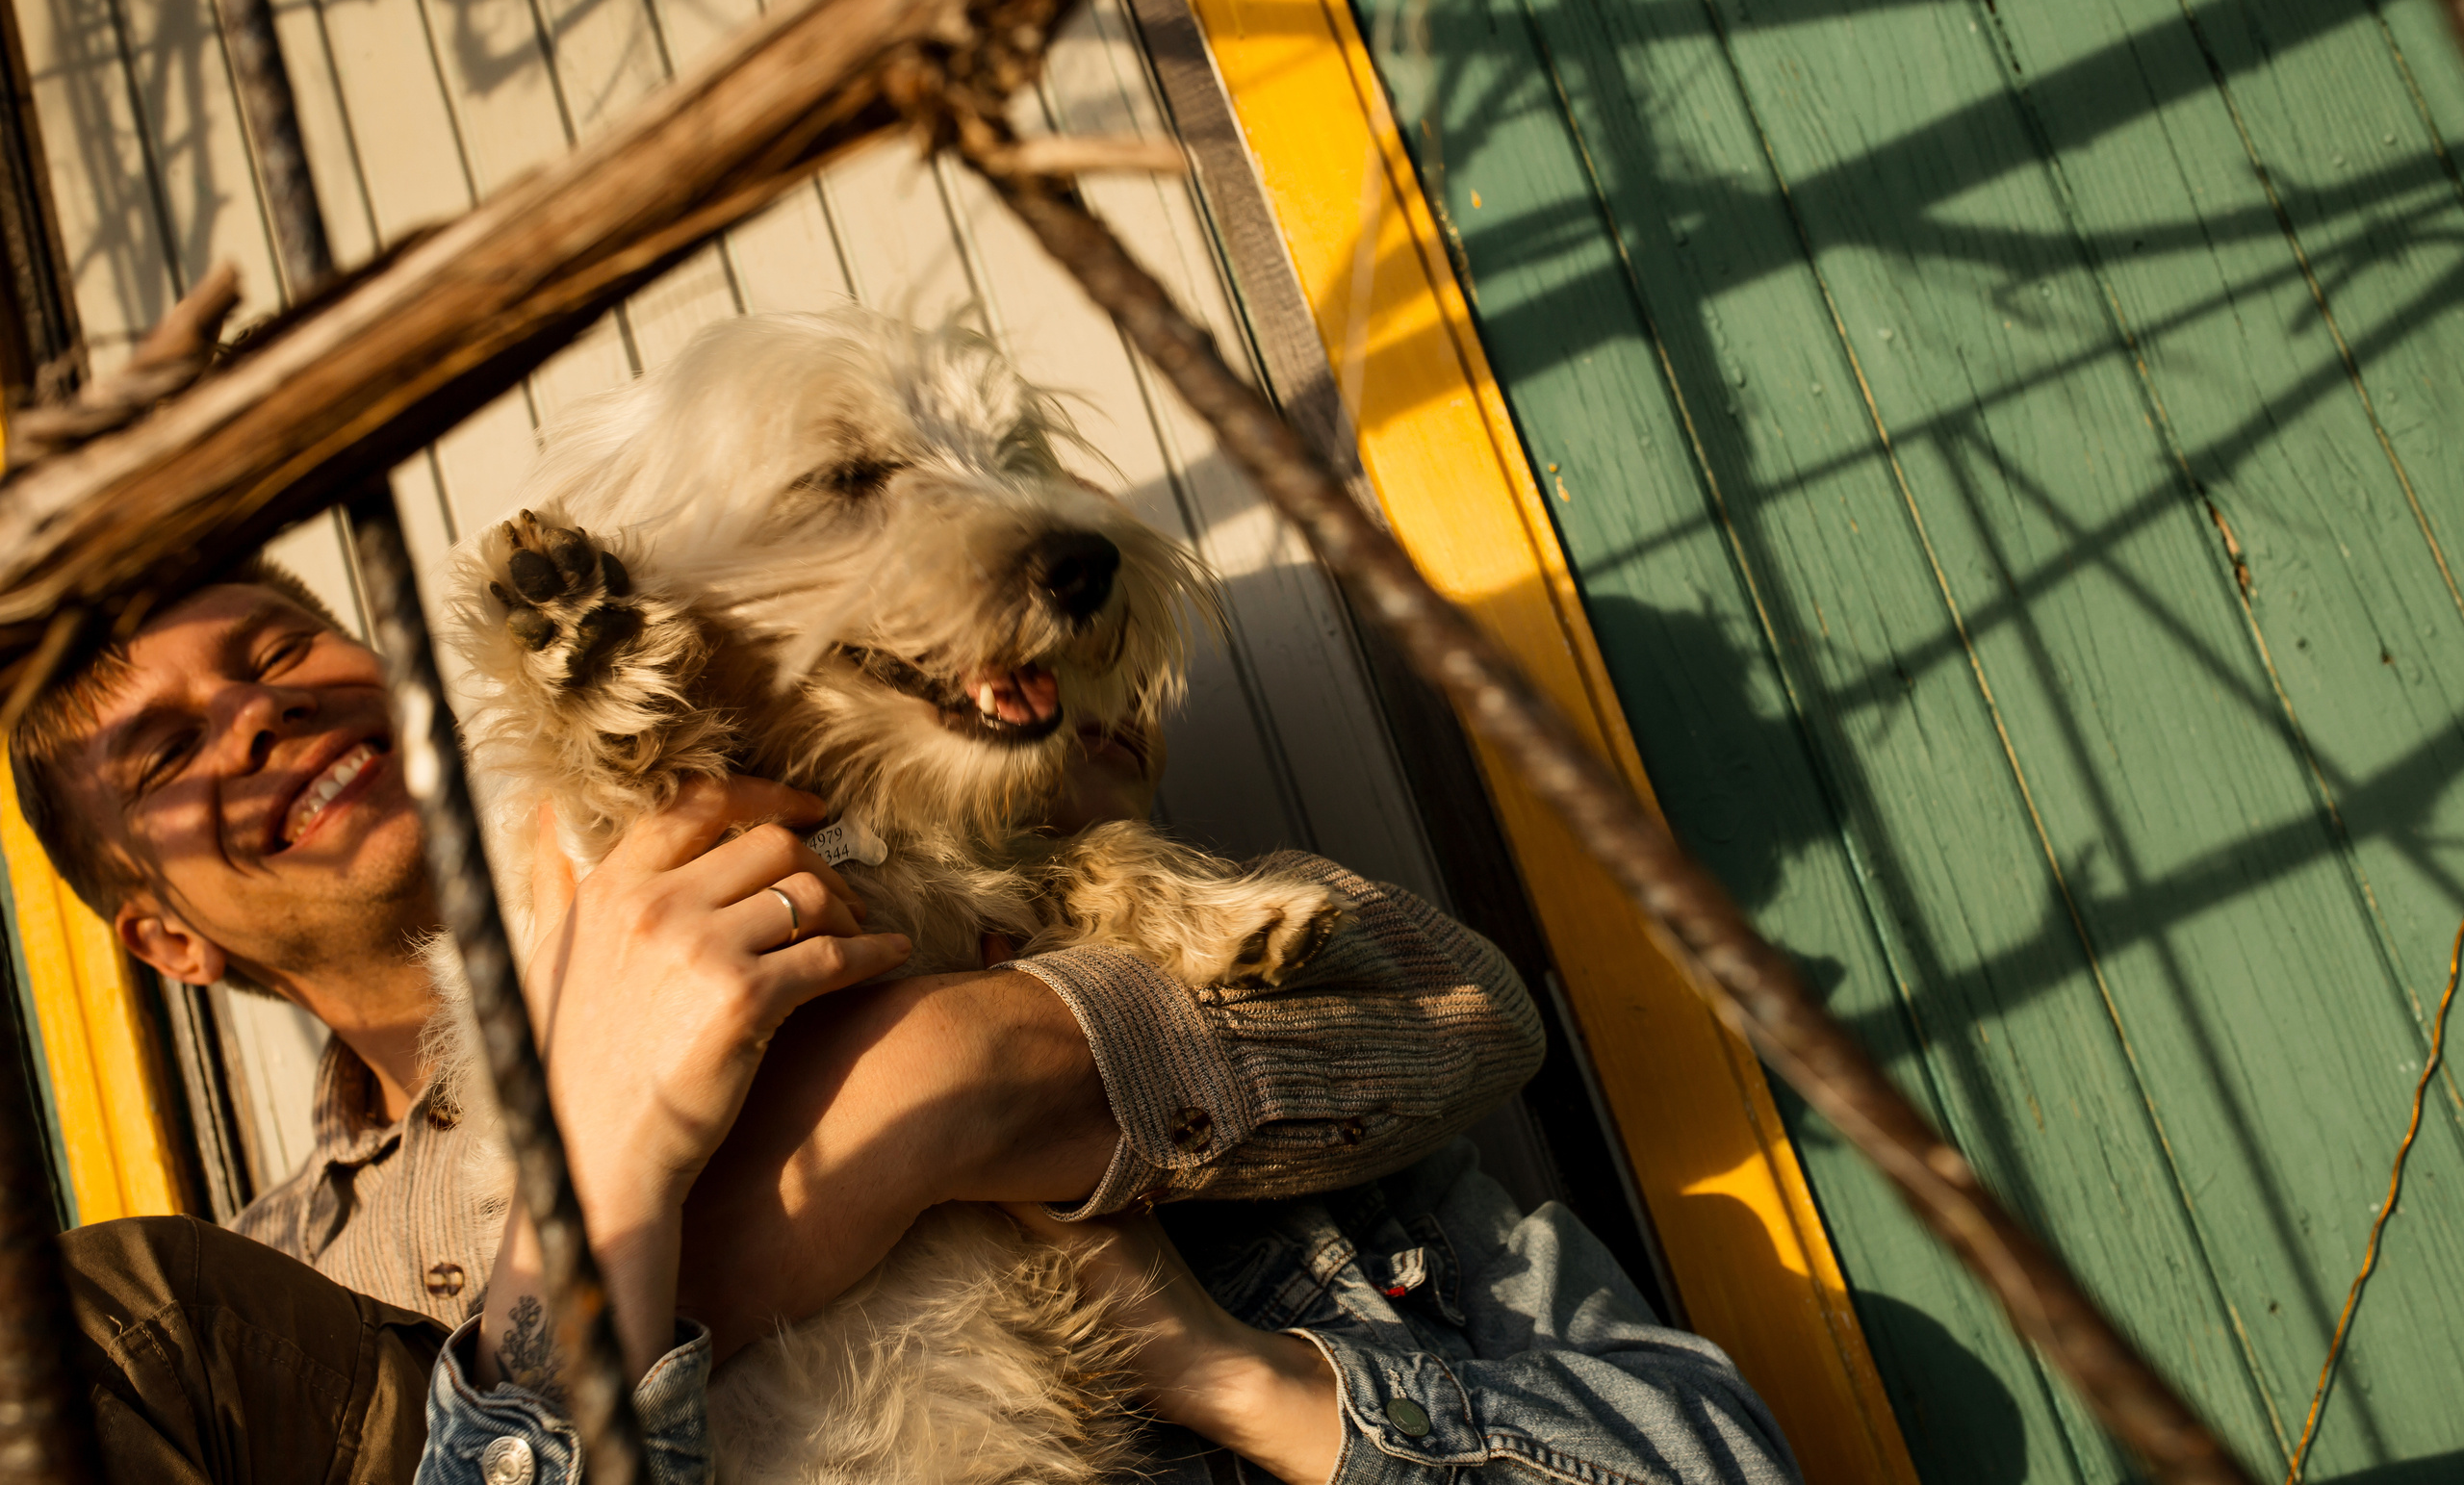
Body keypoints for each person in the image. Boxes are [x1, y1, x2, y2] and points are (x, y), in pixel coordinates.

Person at [15, 564, 1804, 1482]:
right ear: (165, 938)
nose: (253, 722)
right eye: (167, 754)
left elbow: (1456, 1012)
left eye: (271, 654)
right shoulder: (264, 1337)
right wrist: (648, 1219)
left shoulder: (854, 827)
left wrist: (966, 1077)